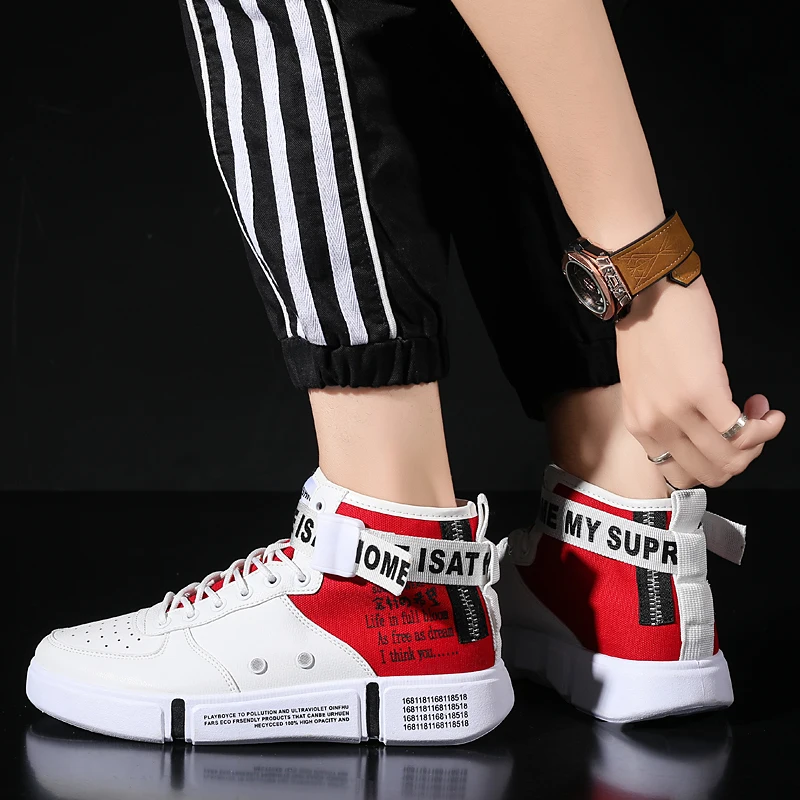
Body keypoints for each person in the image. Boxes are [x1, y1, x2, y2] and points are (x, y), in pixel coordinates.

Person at [25, 0, 785, 744]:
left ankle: (385, 572)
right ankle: (617, 548)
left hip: (393, 587)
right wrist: (644, 274)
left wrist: (648, 273)